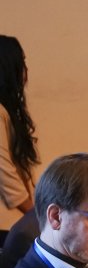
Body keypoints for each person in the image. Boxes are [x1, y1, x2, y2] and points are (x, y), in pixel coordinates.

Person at [0, 35, 39, 244]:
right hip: (7, 225)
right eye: (21, 63)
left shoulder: (7, 111)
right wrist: (33, 213)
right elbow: (4, 171)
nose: (26, 71)